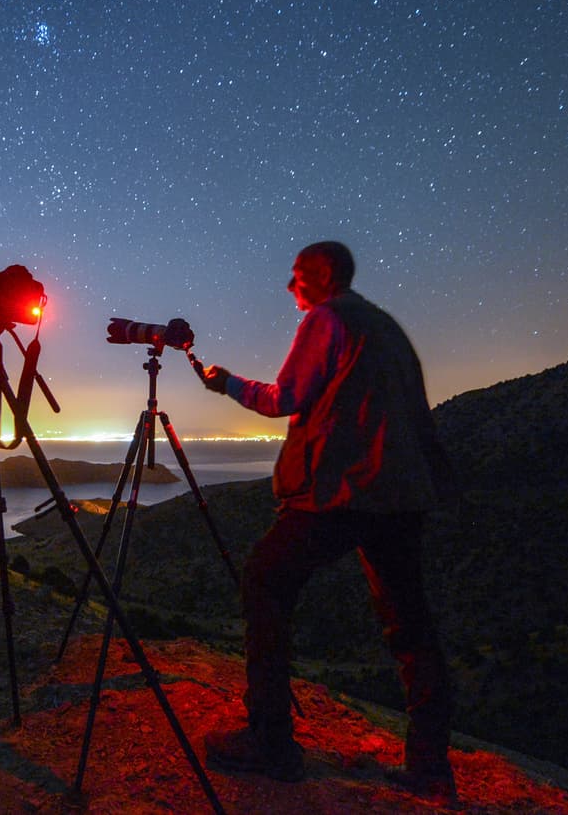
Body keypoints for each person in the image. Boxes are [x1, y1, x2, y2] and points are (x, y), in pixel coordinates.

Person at [195, 240, 458, 800]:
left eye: (297, 276)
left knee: (264, 581)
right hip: (401, 496)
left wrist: (226, 382)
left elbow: (283, 398)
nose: (289, 286)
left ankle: (271, 743)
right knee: (410, 624)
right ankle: (431, 767)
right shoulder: (384, 326)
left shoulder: (327, 319)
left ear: (324, 276)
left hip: (342, 492)